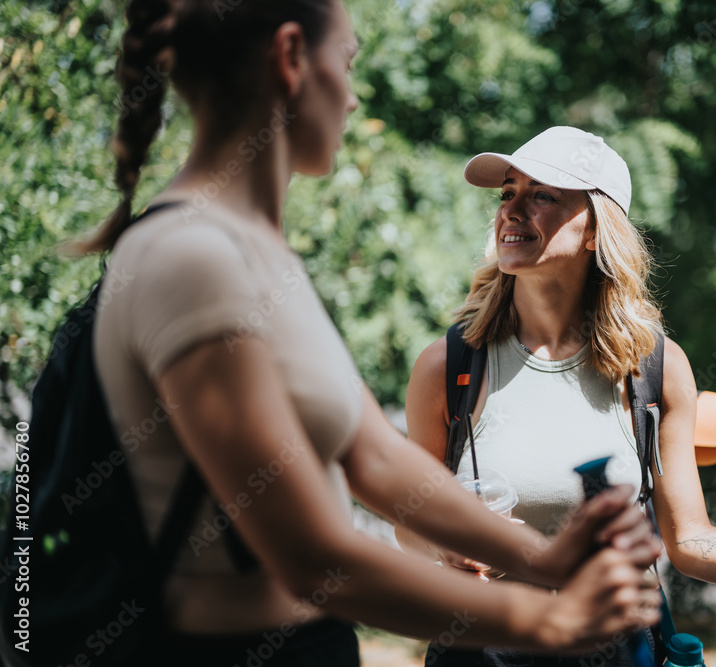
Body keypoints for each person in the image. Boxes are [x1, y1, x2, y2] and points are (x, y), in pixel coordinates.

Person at [86, 3, 663, 665]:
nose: (356, 98)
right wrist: (550, 618)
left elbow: (378, 459)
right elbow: (314, 555)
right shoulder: (193, 258)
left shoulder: (261, 256)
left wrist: (544, 555)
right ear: (291, 56)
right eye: (350, 63)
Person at [400, 126, 716, 666]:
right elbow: (411, 523)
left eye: (541, 195)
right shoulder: (450, 365)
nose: (512, 210)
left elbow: (686, 539)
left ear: (597, 230)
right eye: (507, 193)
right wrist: (444, 548)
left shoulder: (656, 369)